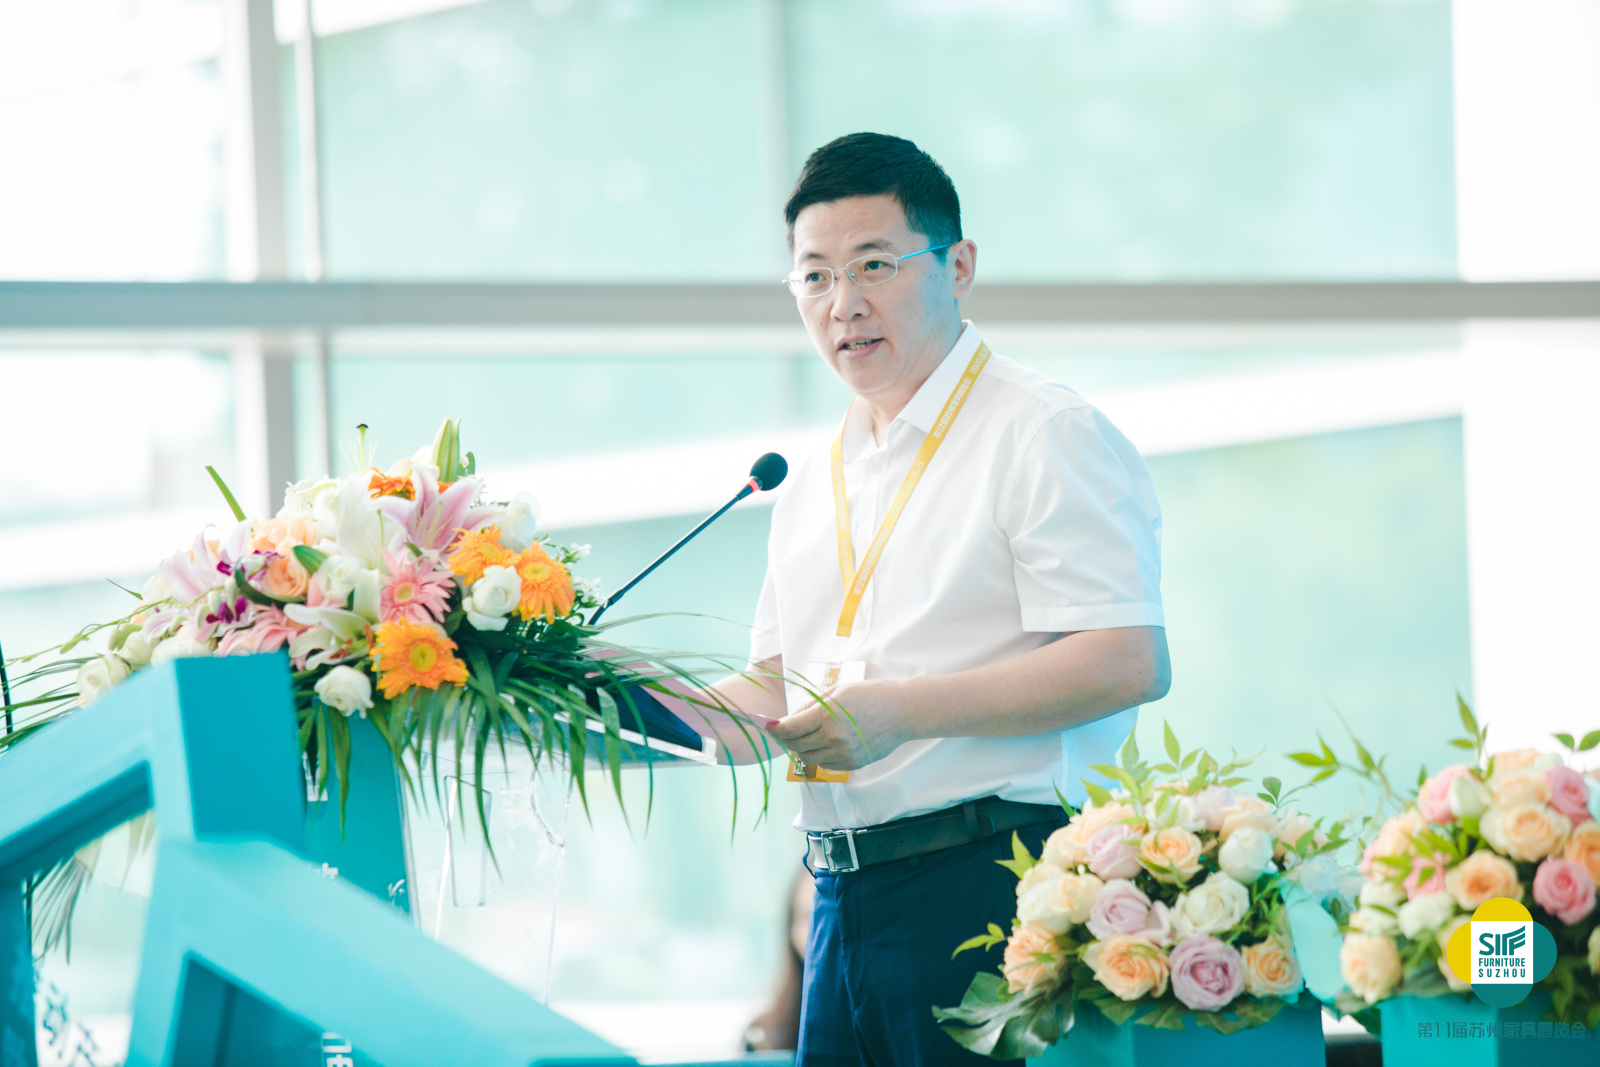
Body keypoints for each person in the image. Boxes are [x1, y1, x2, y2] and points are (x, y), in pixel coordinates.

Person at [693, 132, 1169, 1066]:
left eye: (874, 265)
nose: (843, 303)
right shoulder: (812, 476)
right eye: (815, 277)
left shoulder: (1042, 429)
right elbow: (776, 689)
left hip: (991, 887)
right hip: (836, 900)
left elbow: (1126, 659)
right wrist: (618, 712)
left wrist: (900, 712)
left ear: (959, 265)